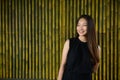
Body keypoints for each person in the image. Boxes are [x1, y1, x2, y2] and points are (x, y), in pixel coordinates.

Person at [57, 15, 101, 80]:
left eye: (84, 25)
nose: (80, 28)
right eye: (78, 25)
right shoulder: (69, 43)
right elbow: (62, 66)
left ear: (90, 27)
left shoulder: (97, 48)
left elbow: (95, 69)